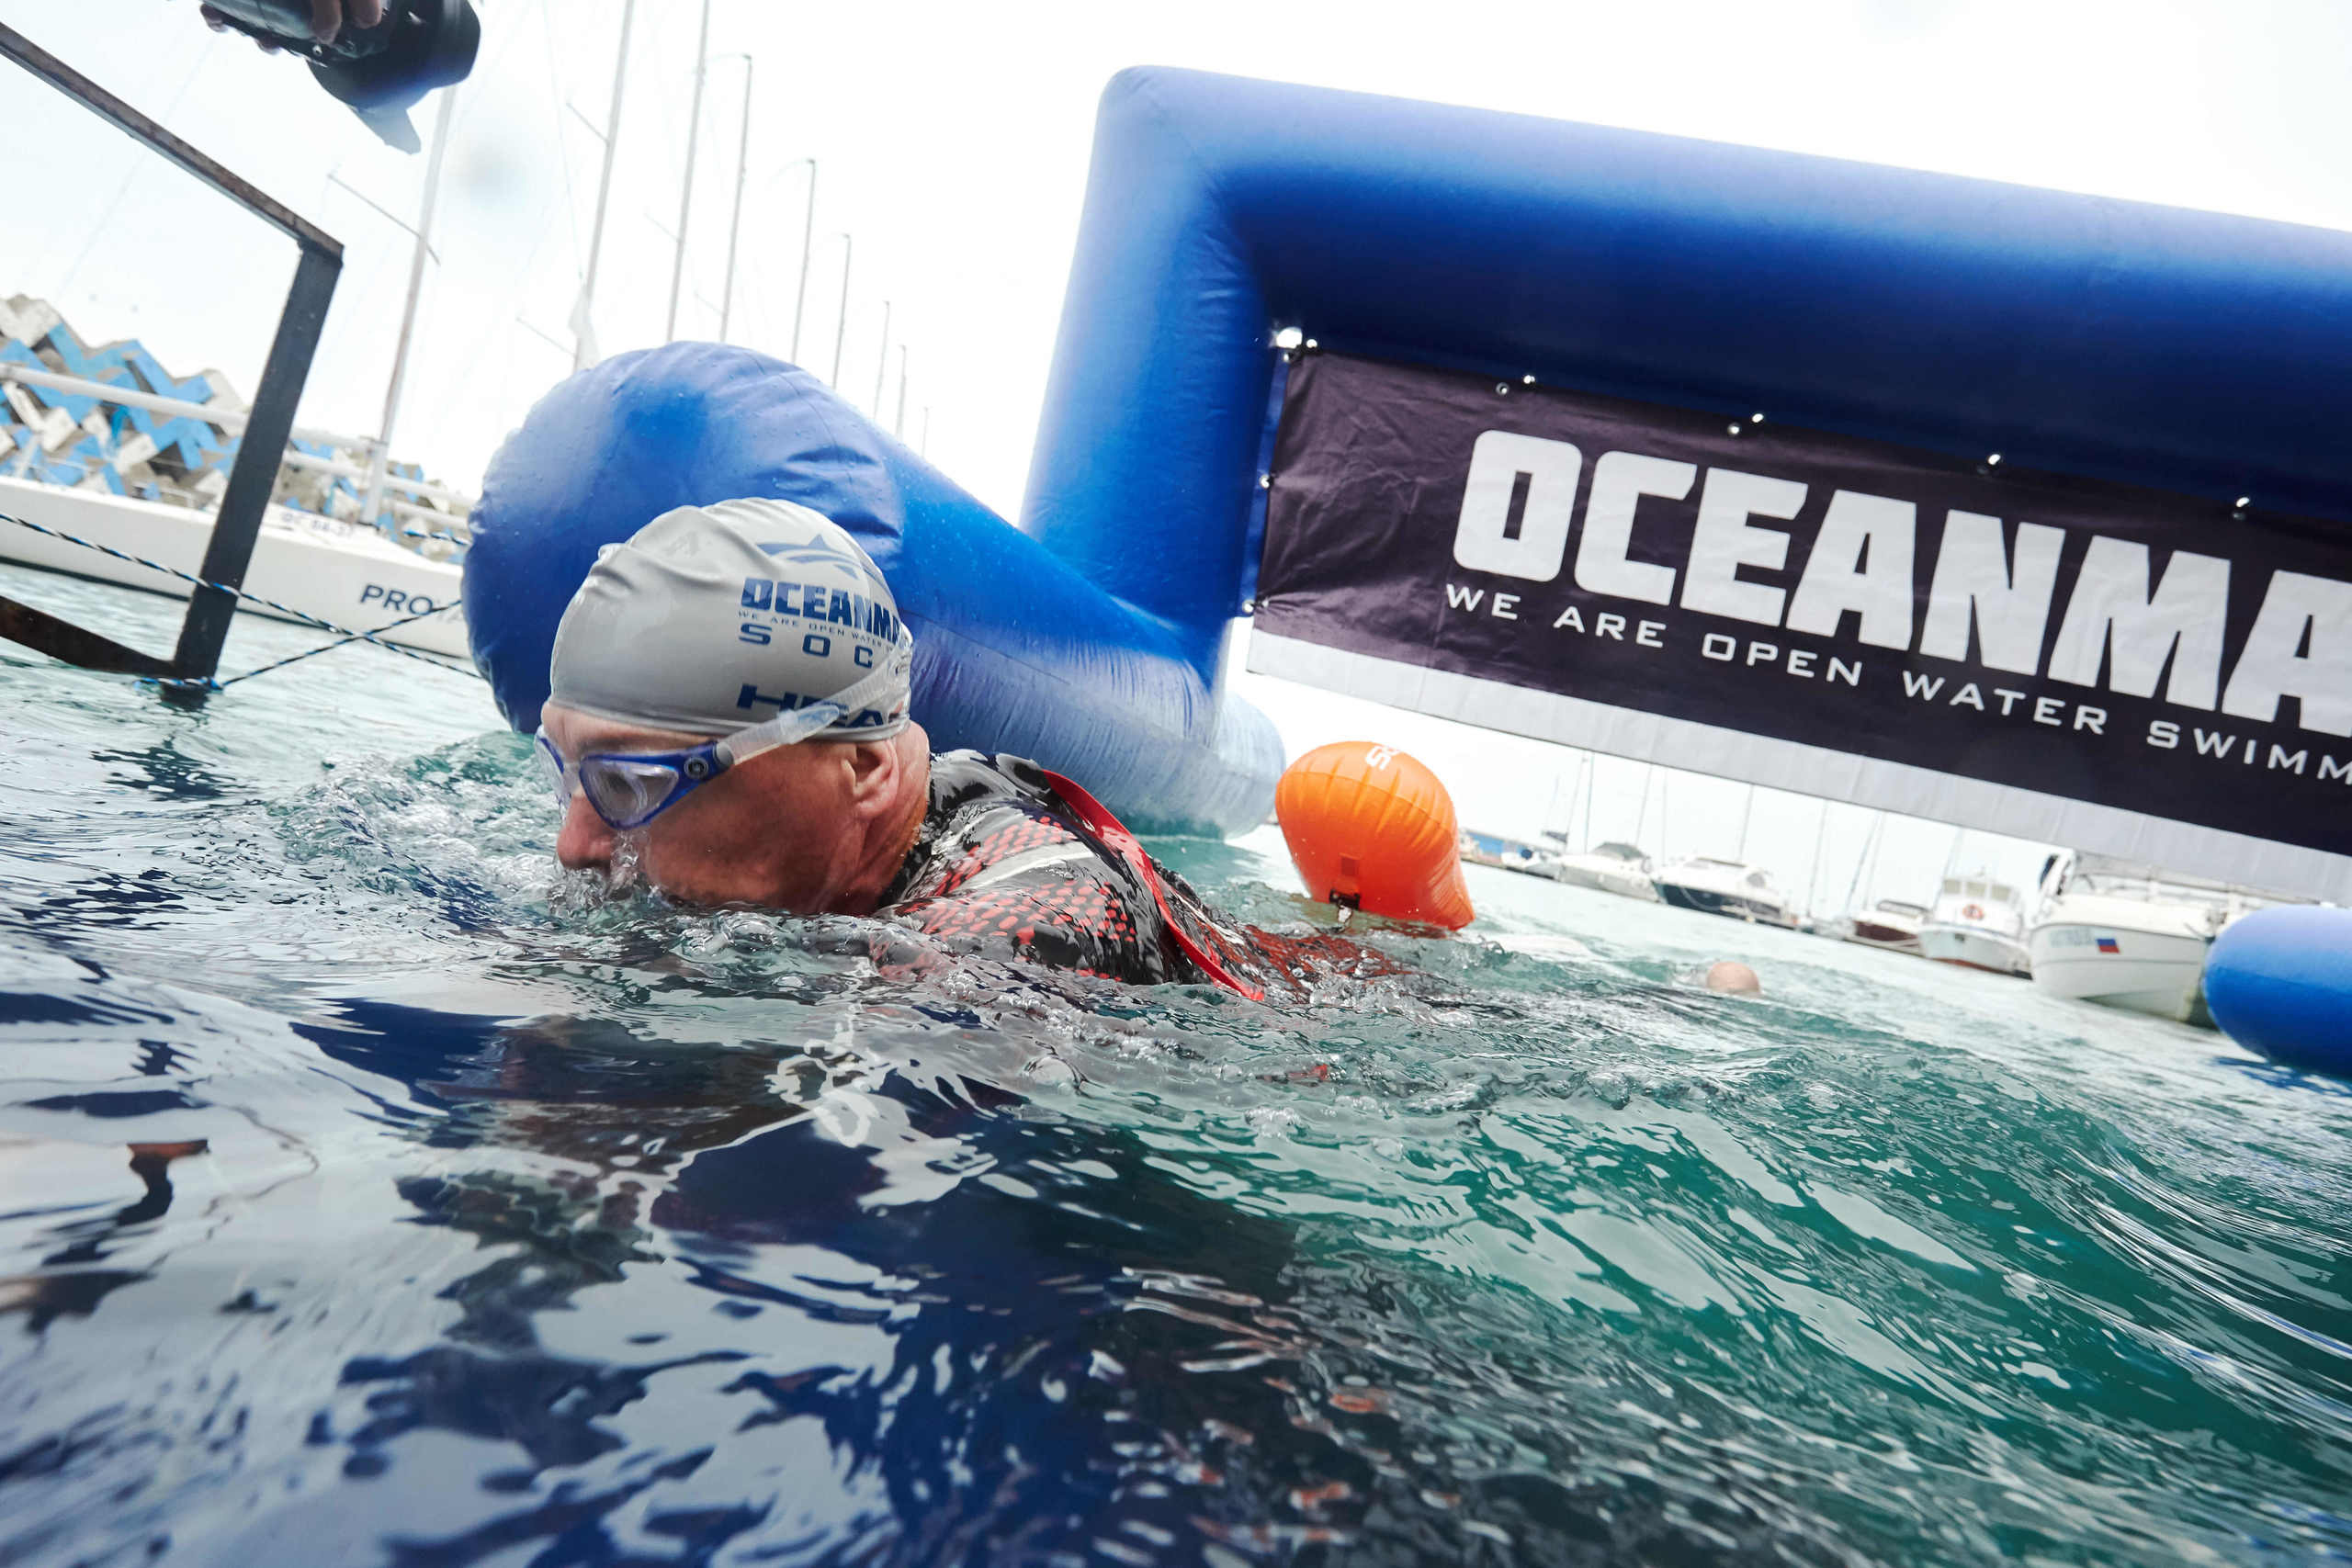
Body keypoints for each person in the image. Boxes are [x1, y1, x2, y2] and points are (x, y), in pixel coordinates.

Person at [536, 499, 1393, 998]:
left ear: (864, 767)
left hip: (1334, 1009)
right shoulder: (870, 839)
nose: (576, 844)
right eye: (568, 768)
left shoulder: (1037, 916)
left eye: (631, 782)